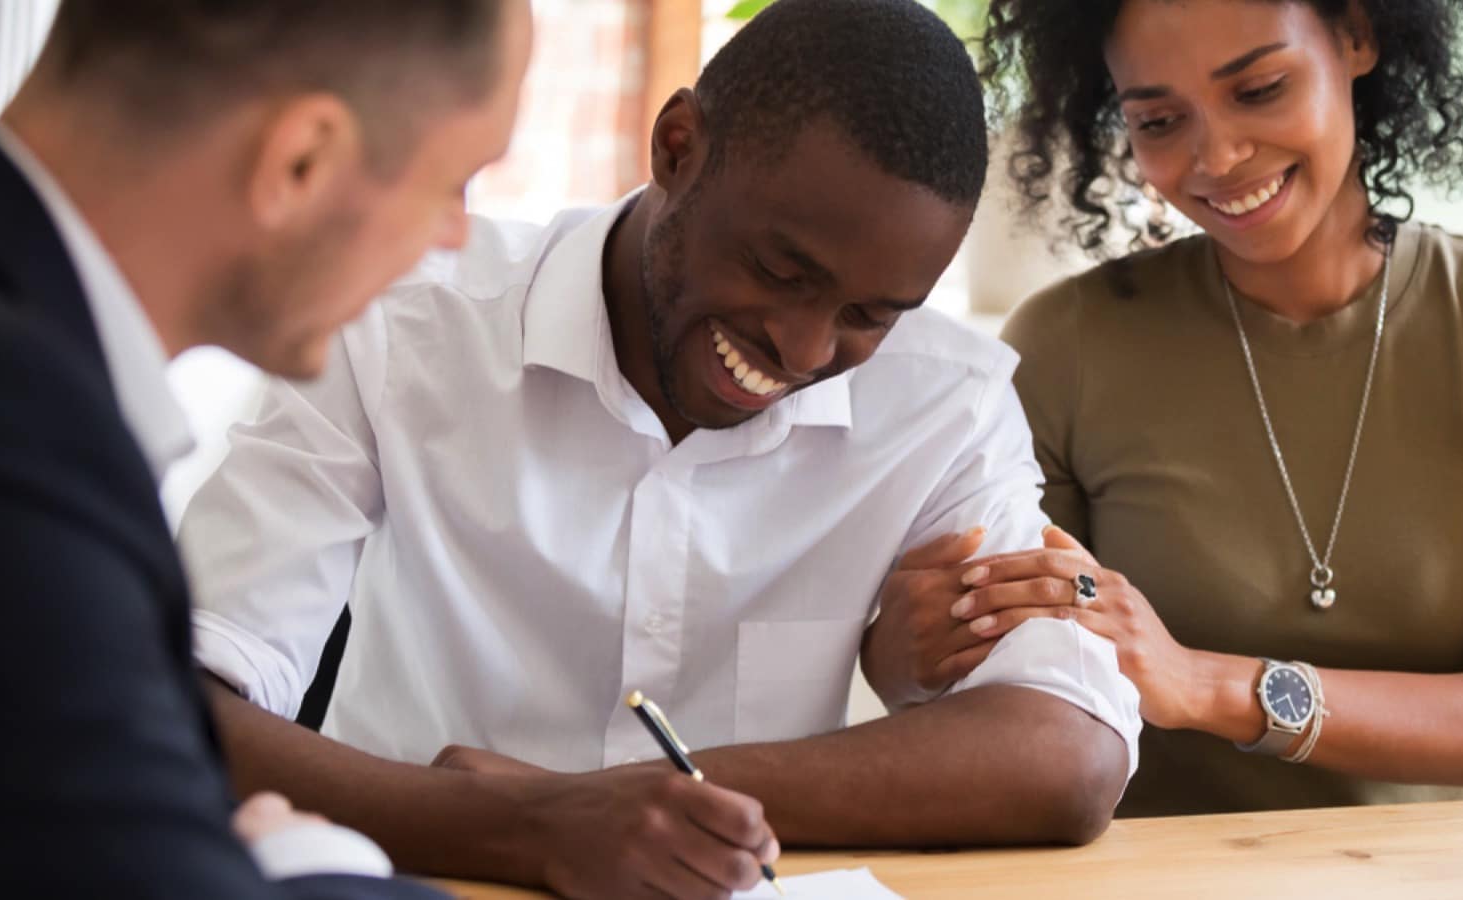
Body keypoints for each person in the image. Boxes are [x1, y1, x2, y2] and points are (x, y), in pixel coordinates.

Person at [178, 1, 1142, 897]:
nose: (805, 351)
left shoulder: (945, 404)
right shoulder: (401, 326)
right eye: (779, 269)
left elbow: (1070, 753)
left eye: (868, 315)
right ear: (677, 147)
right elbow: (181, 704)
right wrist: (524, 830)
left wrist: (610, 803)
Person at [915, 0, 1463, 816]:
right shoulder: (1069, 346)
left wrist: (1203, 685)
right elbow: (1030, 697)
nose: (1219, 156)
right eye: (1160, 120)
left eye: (1261, 88)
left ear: (1357, 37)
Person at [0, 1, 533, 895]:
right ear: (300, 162)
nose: (455, 238)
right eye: (455, 184)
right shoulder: (32, 451)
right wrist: (312, 862)